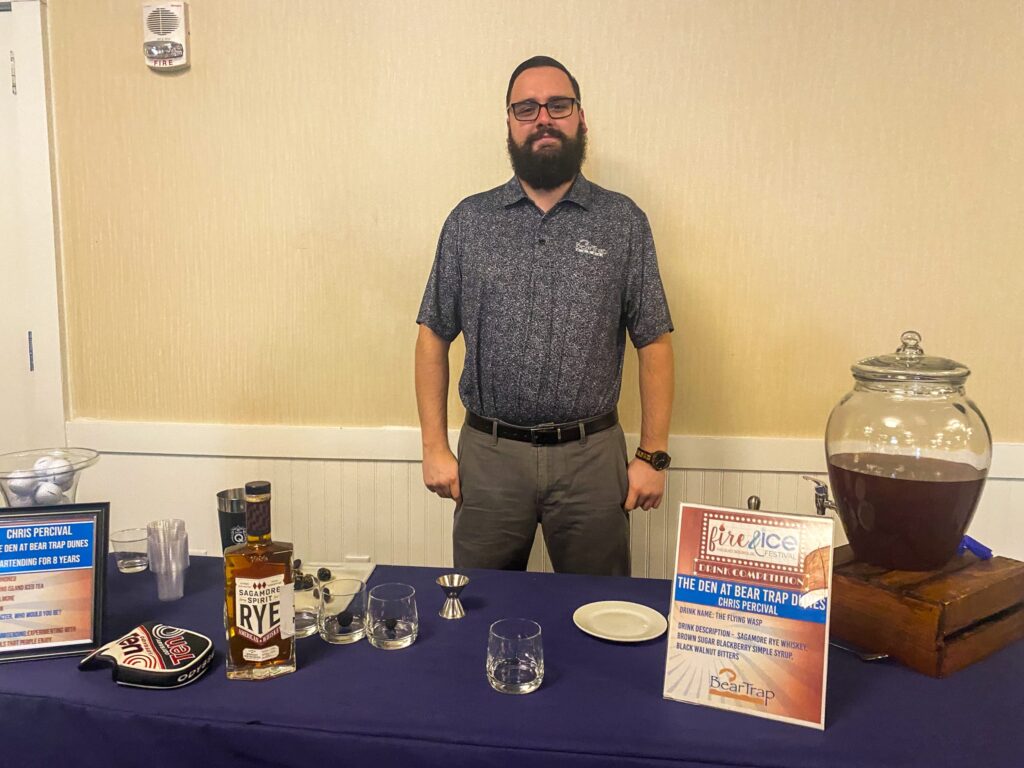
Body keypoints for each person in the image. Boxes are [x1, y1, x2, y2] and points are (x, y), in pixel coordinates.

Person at [415, 55, 674, 576]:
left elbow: (654, 341)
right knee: (481, 605)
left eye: (558, 105)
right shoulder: (470, 221)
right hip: (489, 457)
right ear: (509, 122)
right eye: (526, 108)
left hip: (591, 459)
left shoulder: (622, 221)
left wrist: (652, 455)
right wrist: (434, 448)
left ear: (581, 118)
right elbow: (432, 336)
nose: (542, 119)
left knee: (601, 609)